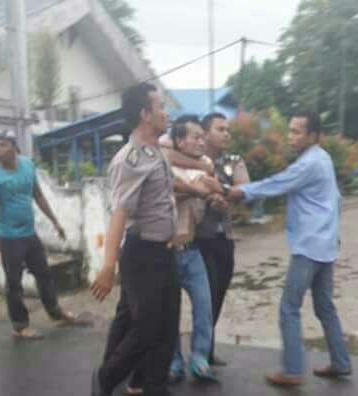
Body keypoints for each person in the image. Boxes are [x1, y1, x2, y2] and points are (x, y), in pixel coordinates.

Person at [90, 84, 208, 396]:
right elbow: (120, 213)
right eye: (160, 106)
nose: (166, 112)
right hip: (143, 255)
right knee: (147, 328)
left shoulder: (155, 150)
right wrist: (108, 265)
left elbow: (163, 192)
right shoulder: (129, 160)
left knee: (167, 326)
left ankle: (153, 386)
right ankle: (105, 378)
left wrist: (197, 191)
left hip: (164, 251)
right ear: (144, 114)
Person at [226, 112, 352, 386]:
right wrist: (332, 233)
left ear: (313, 136)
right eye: (290, 130)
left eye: (297, 132)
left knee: (289, 307)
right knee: (325, 307)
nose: (290, 136)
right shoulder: (324, 159)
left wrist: (241, 192)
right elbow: (336, 199)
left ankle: (292, 370)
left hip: (309, 246)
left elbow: (277, 184)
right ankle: (341, 363)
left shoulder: (309, 164)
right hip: (325, 244)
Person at [161, 112, 249, 366]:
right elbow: (163, 169)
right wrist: (197, 190)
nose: (226, 134)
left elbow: (241, 190)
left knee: (209, 302)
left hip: (215, 240)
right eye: (220, 129)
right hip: (189, 243)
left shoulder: (225, 161)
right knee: (170, 308)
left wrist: (218, 196)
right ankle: (174, 361)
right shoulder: (173, 155)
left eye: (227, 129)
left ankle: (202, 355)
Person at [0, 130, 81, 339]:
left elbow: (38, 195)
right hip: (8, 238)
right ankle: (20, 325)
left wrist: (55, 222)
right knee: (14, 283)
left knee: (44, 274)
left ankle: (55, 312)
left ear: (14, 146)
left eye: (2, 145)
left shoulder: (27, 165)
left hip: (29, 234)